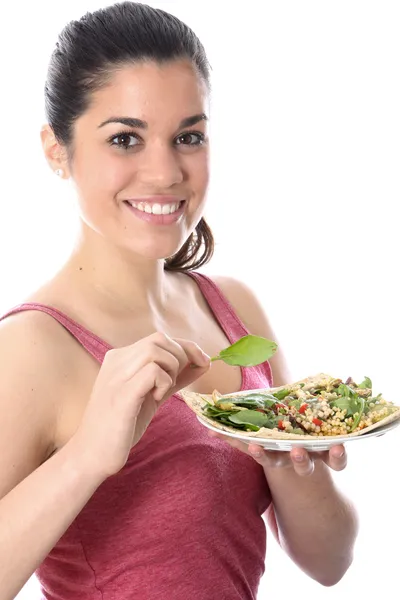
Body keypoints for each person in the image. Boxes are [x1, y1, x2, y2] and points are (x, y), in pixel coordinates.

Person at [0, 2, 358, 599]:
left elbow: (331, 562)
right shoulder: (30, 348)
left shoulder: (233, 309)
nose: (165, 173)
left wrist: (289, 461)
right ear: (56, 150)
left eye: (187, 136)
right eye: (125, 139)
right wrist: (89, 454)